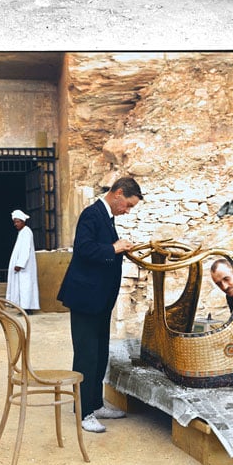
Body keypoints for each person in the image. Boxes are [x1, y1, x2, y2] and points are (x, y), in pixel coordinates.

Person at [57, 177, 143, 432]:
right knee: (86, 355)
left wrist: (119, 248)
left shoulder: (107, 217)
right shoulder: (92, 214)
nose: (126, 211)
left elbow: (102, 248)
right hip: (85, 299)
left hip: (100, 299)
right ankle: (83, 412)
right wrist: (113, 248)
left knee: (100, 352)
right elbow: (83, 249)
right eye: (127, 205)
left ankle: (95, 403)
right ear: (117, 194)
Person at [6, 209, 40, 314]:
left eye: (17, 221)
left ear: (23, 221)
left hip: (25, 267)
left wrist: (20, 264)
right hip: (22, 267)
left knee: (25, 287)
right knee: (22, 287)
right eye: (14, 222)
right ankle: (23, 308)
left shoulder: (26, 232)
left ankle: (27, 309)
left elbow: (25, 249)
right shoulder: (22, 232)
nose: (15, 224)